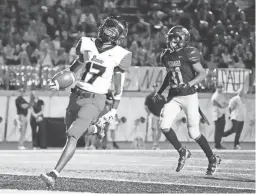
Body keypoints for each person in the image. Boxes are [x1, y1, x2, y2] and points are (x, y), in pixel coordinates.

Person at [40, 16, 131, 188]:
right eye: (107, 27)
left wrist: (114, 109)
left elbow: (118, 87)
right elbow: (74, 70)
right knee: (71, 132)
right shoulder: (86, 43)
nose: (107, 31)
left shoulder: (121, 55)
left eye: (112, 30)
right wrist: (59, 82)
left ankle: (54, 174)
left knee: (72, 135)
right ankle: (97, 128)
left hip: (95, 100)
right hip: (76, 95)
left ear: (118, 35)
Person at [153, 25, 221, 175]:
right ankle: (182, 151)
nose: (173, 41)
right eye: (172, 38)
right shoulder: (166, 55)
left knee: (194, 133)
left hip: (189, 95)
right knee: (164, 125)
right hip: (174, 96)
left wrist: (189, 83)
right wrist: (160, 91)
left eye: (177, 38)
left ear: (184, 40)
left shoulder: (189, 53)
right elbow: (170, 75)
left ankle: (212, 158)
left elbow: (202, 73)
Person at [145, 83, 166, 149]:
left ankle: (156, 143)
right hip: (153, 115)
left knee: (160, 130)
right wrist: (149, 114)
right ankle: (154, 144)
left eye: (156, 87)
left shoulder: (161, 97)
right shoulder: (149, 97)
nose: (155, 88)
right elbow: (146, 107)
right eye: (154, 87)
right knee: (154, 129)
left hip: (160, 116)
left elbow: (165, 106)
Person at [211, 84, 229, 149]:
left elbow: (226, 103)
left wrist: (224, 105)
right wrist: (222, 106)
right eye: (219, 87)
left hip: (222, 114)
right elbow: (215, 103)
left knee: (221, 130)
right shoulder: (215, 96)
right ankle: (217, 145)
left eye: (221, 87)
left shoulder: (222, 95)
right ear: (217, 88)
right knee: (218, 130)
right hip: (217, 115)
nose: (221, 89)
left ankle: (219, 143)